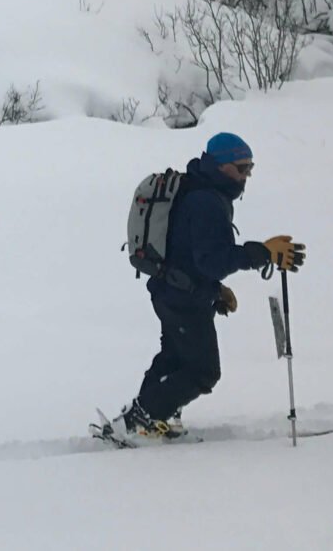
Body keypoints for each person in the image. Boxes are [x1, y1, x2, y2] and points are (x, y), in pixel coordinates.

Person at [106, 132, 306, 443]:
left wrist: (215, 290)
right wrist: (263, 253)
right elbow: (213, 260)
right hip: (183, 297)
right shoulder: (206, 201)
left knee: (175, 357)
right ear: (221, 165)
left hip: (171, 290)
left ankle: (154, 418)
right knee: (203, 371)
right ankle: (141, 419)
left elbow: (190, 254)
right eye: (241, 168)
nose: (246, 176)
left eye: (250, 169)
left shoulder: (199, 190)